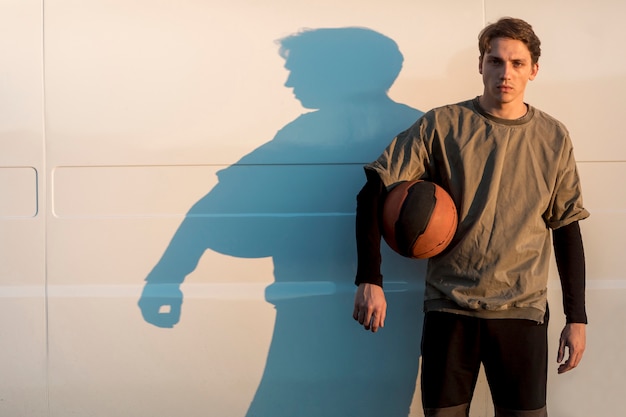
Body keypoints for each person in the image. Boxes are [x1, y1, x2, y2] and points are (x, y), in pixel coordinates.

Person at [352, 17, 589, 417]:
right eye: (495, 61)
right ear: (481, 64)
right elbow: (373, 187)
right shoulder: (442, 125)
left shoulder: (553, 137)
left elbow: (566, 227)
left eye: (517, 63)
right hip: (450, 308)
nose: (505, 73)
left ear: (534, 69)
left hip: (521, 312)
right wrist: (369, 278)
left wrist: (576, 318)